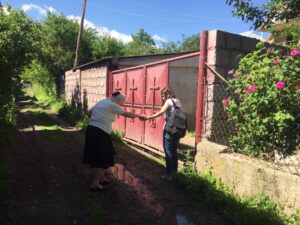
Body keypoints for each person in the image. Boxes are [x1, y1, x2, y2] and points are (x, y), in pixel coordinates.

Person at [83, 91, 145, 191]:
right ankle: (95, 183)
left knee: (102, 154)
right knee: (104, 157)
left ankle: (102, 177)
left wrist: (96, 119)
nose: (120, 106)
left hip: (91, 129)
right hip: (101, 133)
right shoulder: (112, 104)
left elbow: (88, 112)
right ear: (118, 100)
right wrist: (139, 116)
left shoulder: (103, 101)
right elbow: (127, 114)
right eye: (121, 104)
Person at [144, 86, 182, 180]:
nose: (162, 98)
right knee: (174, 151)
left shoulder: (169, 101)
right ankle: (175, 172)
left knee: (168, 152)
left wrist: (149, 117)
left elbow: (161, 112)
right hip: (177, 130)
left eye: (163, 96)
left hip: (169, 130)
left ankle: (169, 174)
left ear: (168, 94)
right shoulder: (178, 101)